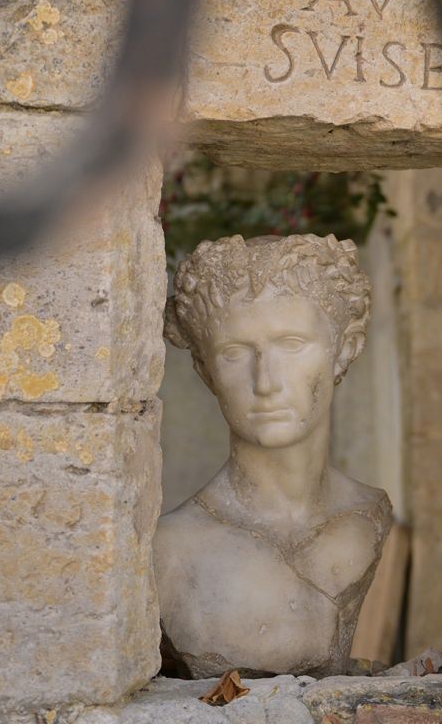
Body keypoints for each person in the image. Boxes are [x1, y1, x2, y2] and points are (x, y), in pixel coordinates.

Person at [155, 233, 392, 678]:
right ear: (205, 370)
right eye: (234, 353)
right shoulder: (170, 550)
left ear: (345, 349)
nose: (266, 381)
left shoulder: (369, 513)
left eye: (291, 344)